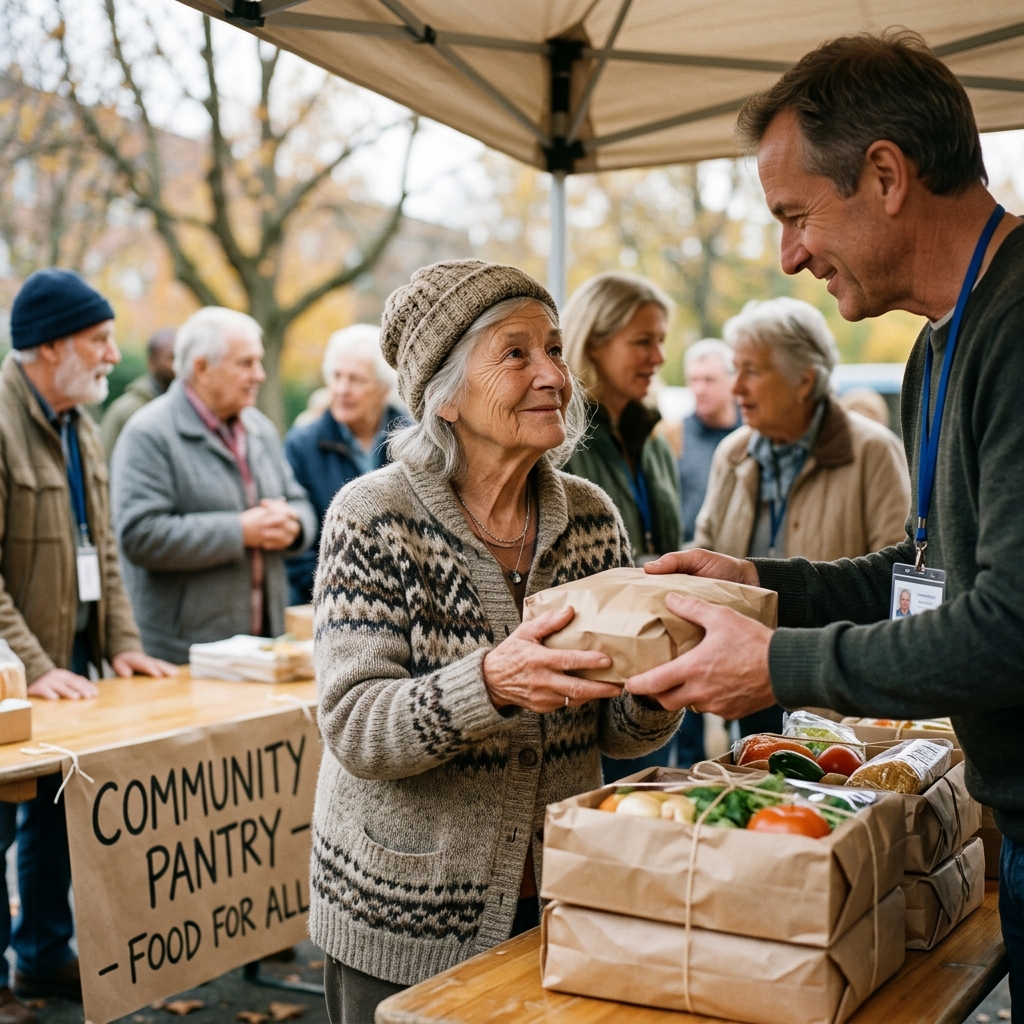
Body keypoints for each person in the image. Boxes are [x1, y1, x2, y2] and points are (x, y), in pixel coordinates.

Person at [621, 32, 1024, 1007]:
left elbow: (1006, 627)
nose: (789, 254)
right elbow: (925, 569)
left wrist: (775, 665)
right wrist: (761, 585)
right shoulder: (940, 346)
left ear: (884, 174)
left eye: (796, 214)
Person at [308, 260, 683, 1024]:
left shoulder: (589, 517)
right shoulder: (373, 517)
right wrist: (491, 684)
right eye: (516, 353)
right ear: (445, 397)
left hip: (562, 901)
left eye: (553, 348)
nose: (552, 373)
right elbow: (354, 724)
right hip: (404, 914)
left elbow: (619, 728)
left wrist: (657, 678)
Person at [0, 269, 174, 1021]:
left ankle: (42, 959)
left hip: (70, 668)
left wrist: (124, 644)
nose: (113, 354)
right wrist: (34, 668)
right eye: (99, 340)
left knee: (53, 816)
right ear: (49, 346)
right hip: (14, 678)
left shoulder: (79, 422)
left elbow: (101, 545)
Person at [111, 307, 317, 664]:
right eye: (246, 363)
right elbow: (139, 535)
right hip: (182, 656)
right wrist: (239, 531)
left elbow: (300, 503)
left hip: (264, 647)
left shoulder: (260, 429)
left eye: (259, 362)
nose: (260, 375)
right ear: (202, 368)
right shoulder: (148, 433)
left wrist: (294, 524)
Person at [284, 324, 409, 605]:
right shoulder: (302, 446)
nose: (341, 389)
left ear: (383, 387)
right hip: (327, 603)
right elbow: (299, 549)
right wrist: (336, 596)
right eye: (336, 376)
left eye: (356, 379)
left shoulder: (413, 442)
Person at [562, 272, 682, 562]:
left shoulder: (655, 438)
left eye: (661, 340)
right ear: (592, 343)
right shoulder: (557, 441)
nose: (659, 357)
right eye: (643, 342)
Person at [675, 339, 741, 543]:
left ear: (732, 381)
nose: (699, 389)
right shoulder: (675, 435)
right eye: (693, 380)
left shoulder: (753, 435)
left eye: (709, 379)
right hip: (690, 555)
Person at [99, 326, 177, 459]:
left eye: (184, 357)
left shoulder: (187, 407)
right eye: (172, 358)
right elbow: (105, 461)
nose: (179, 365)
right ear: (152, 363)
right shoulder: (125, 411)